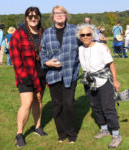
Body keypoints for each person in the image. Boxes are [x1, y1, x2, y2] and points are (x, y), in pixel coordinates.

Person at [76, 23, 122, 148]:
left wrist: (116, 81)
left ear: (92, 35)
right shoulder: (80, 49)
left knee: (108, 108)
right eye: (83, 35)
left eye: (88, 34)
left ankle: (116, 135)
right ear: (79, 37)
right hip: (89, 82)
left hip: (104, 81)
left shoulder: (101, 47)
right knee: (95, 106)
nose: (85, 37)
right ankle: (104, 129)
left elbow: (111, 65)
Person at [41, 5, 80, 143]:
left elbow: (86, 43)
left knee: (68, 104)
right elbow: (43, 54)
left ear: (66, 15)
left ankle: (72, 134)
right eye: (56, 13)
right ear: (52, 16)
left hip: (70, 73)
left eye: (62, 13)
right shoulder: (47, 34)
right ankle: (62, 134)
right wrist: (47, 63)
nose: (59, 15)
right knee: (57, 105)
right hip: (53, 75)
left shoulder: (74, 30)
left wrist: (101, 45)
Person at [9, 7, 47, 148]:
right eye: (30, 16)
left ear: (39, 17)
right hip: (25, 73)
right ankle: (19, 133)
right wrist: (23, 76)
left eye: (35, 16)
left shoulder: (43, 32)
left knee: (38, 99)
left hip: (41, 72)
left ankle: (37, 127)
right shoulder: (19, 34)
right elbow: (15, 57)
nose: (33, 18)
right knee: (27, 102)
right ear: (26, 18)